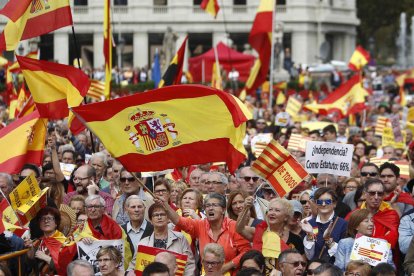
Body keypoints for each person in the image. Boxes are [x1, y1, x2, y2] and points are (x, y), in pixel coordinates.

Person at [158, 192, 251, 274]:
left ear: (223, 210)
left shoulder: (233, 226)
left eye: (214, 205)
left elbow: (246, 251)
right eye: (207, 206)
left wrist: (226, 267)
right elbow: (178, 221)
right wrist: (166, 206)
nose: (210, 208)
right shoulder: (200, 225)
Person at [127, 202, 195, 275]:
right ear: (150, 220)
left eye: (162, 214)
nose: (159, 217)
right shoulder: (143, 243)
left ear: (168, 218)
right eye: (156, 215)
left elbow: (189, 266)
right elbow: (133, 267)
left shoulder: (180, 238)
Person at [346, 179, 399, 249]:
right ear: (365, 194)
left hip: (383, 257)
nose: (376, 197)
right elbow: (348, 238)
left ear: (384, 195)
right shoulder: (355, 214)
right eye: (372, 193)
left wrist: (364, 241)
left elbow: (391, 242)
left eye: (380, 194)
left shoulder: (391, 214)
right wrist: (382, 239)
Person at [302, 187, 348, 262]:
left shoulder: (343, 224)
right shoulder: (309, 224)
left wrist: (328, 240)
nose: (323, 204)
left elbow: (343, 255)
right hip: (315, 269)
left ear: (334, 204)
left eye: (327, 201)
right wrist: (310, 234)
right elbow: (309, 256)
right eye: (320, 202)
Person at [25, 207, 67, 275]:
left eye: (49, 218)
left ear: (56, 223)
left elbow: (65, 267)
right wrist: (30, 251)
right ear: (39, 224)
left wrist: (46, 258)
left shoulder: (64, 242)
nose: (46, 221)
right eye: (42, 219)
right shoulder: (38, 241)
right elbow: (31, 265)